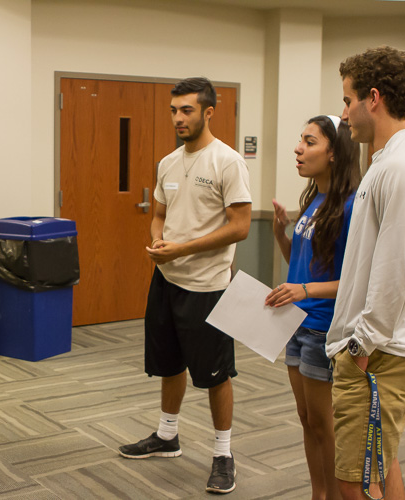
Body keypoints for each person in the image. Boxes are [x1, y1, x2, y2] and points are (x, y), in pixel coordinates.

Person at [118, 77, 251, 494]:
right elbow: (159, 213)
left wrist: (184, 250)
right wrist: (160, 239)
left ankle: (224, 454)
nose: (178, 118)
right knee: (168, 362)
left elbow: (241, 227)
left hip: (208, 286)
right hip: (166, 280)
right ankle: (167, 436)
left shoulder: (227, 162)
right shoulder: (168, 163)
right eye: (174, 110)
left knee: (214, 374)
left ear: (208, 112)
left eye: (187, 110)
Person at [327, 46, 405, 500]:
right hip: (380, 348)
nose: (343, 115)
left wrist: (362, 344)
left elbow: (397, 267)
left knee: (352, 481)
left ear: (372, 98)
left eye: (347, 100)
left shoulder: (404, 168)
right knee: (380, 459)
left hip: (381, 353)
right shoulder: (389, 163)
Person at [266, 115, 359, 500]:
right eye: (300, 141)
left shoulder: (353, 206)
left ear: (334, 153)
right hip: (297, 324)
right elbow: (301, 268)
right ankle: (318, 494)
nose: (298, 149)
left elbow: (356, 283)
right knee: (307, 422)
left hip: (323, 328)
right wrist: (280, 236)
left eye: (309, 141)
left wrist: (304, 290)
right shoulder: (314, 199)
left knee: (324, 425)